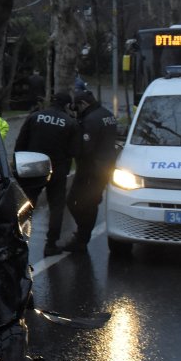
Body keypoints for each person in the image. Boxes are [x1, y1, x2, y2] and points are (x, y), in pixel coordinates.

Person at [14, 91, 81, 256]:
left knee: (26, 204)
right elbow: (75, 150)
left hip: (32, 166)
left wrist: (19, 165)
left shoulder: (35, 117)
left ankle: (16, 240)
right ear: (67, 105)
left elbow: (20, 142)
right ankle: (50, 245)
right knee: (56, 207)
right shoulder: (70, 123)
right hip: (57, 169)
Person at [63, 89, 119, 252]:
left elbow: (85, 148)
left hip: (91, 169)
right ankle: (83, 237)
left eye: (77, 107)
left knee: (75, 202)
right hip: (105, 167)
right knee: (92, 202)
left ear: (83, 104)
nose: (76, 111)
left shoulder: (91, 120)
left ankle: (82, 237)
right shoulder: (107, 114)